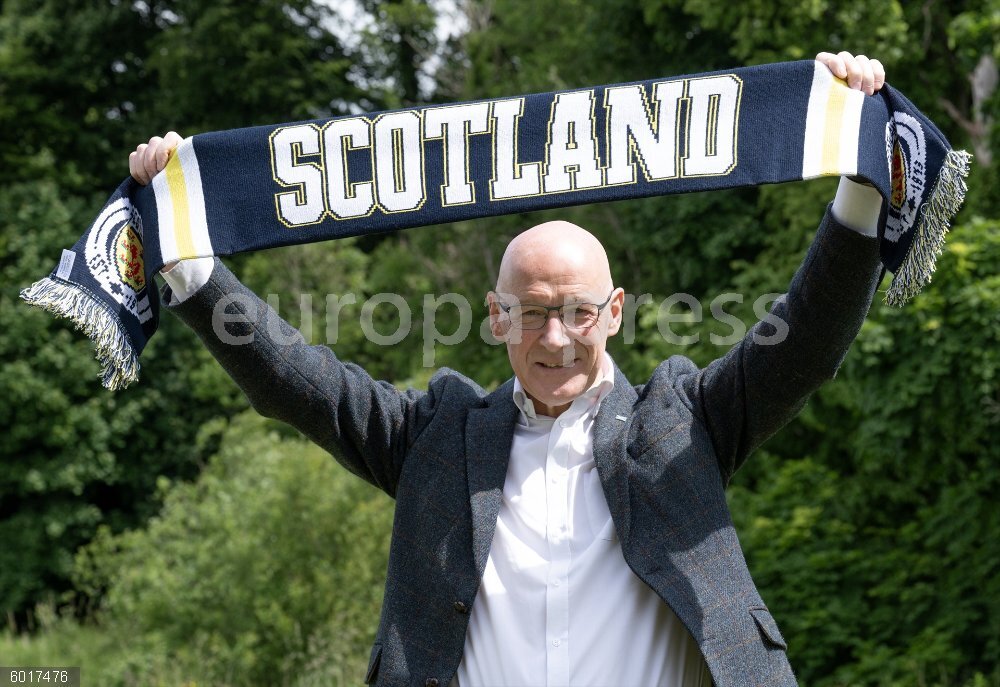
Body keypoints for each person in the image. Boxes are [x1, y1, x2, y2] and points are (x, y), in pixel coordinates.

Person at [131, 51, 886, 687]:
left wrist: (859, 179)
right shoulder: (440, 437)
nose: (554, 337)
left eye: (578, 311)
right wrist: (188, 260)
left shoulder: (687, 420)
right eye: (529, 312)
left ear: (616, 311)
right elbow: (303, 384)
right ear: (495, 317)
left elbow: (806, 341)